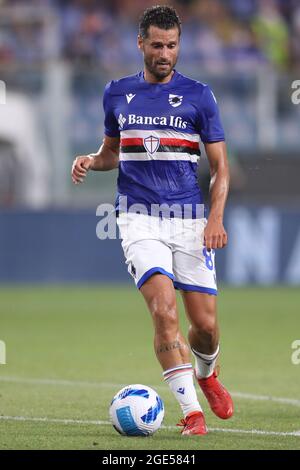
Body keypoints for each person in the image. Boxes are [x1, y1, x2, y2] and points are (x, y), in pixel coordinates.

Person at [71, 5, 233, 436]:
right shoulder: (117, 93)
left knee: (206, 326)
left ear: (180, 45)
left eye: (172, 45)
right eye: (157, 45)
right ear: (140, 43)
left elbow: (220, 167)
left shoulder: (199, 96)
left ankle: (206, 373)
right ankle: (192, 412)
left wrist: (215, 217)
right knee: (163, 309)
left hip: (188, 219)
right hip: (139, 217)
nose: (165, 53)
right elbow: (111, 153)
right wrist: (91, 159)